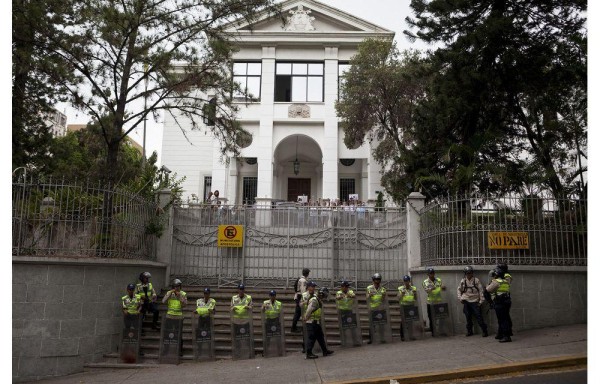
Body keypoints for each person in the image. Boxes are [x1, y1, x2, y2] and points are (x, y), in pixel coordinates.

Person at [457, 266, 488, 337]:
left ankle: (484, 331)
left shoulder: (476, 280)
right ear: (465, 273)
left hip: (475, 301)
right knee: (468, 317)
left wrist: (481, 301)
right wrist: (460, 298)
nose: (469, 274)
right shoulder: (463, 281)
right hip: (466, 301)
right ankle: (469, 331)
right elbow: (459, 290)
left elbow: (481, 291)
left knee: (479, 316)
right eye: (467, 273)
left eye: (470, 273)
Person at [304, 287, 334, 359]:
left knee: (320, 337)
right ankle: (309, 353)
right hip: (311, 322)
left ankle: (325, 351)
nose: (325, 297)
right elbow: (309, 310)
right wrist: (306, 318)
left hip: (315, 321)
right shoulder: (314, 300)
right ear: (321, 294)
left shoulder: (318, 300)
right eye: (324, 295)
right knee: (311, 338)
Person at [487, 267, 513, 342]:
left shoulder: (496, 281)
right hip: (506, 302)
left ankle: (506, 336)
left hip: (500, 302)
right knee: (505, 318)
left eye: (494, 274)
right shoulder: (505, 281)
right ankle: (501, 333)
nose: (493, 276)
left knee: (502, 319)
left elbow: (488, 289)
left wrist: (487, 286)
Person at [422, 267, 446, 336]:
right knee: (431, 317)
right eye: (430, 273)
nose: (432, 274)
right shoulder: (425, 282)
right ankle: (433, 332)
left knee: (441, 317)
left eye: (433, 273)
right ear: (428, 274)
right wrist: (432, 288)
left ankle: (441, 331)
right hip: (430, 302)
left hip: (438, 301)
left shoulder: (438, 280)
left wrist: (443, 287)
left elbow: (443, 288)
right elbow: (427, 291)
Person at [366, 272, 387, 344]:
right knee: (372, 325)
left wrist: (384, 296)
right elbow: (367, 298)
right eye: (376, 279)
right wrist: (369, 295)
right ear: (373, 280)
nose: (377, 281)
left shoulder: (383, 289)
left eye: (378, 279)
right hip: (373, 308)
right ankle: (371, 339)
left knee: (381, 324)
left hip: (380, 308)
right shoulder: (369, 288)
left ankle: (382, 338)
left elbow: (384, 300)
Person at [262, 290, 283, 355]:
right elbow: (262, 310)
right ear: (269, 296)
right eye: (271, 295)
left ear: (275, 296)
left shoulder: (279, 303)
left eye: (273, 295)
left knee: (278, 337)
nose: (272, 297)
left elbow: (281, 313)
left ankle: (279, 351)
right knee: (268, 337)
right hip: (268, 320)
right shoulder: (266, 302)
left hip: (276, 320)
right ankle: (265, 351)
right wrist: (263, 307)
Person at [398, 275, 417, 341]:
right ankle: (402, 336)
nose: (406, 282)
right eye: (405, 281)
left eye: (407, 281)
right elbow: (398, 298)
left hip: (411, 306)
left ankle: (411, 335)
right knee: (403, 321)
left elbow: (416, 298)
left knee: (411, 321)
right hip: (403, 306)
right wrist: (402, 294)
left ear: (409, 281)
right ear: (403, 281)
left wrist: (415, 294)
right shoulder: (400, 288)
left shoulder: (414, 288)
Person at [292, 268, 310, 333]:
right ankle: (293, 328)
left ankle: (294, 327)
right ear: (307, 273)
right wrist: (303, 300)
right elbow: (303, 291)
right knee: (298, 313)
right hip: (300, 297)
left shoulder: (301, 279)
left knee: (299, 313)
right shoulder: (303, 280)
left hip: (299, 297)